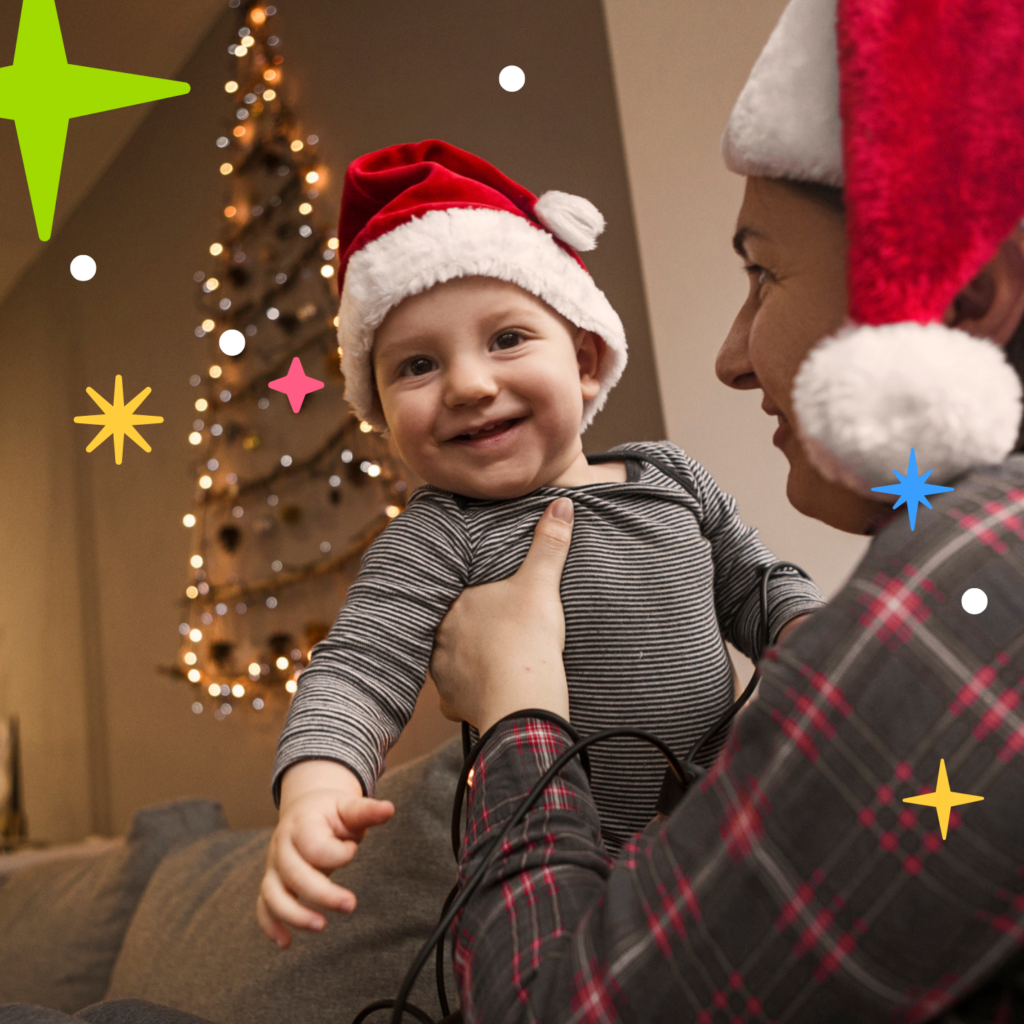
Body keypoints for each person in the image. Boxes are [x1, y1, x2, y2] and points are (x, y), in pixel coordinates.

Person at [428, 0, 1024, 1020]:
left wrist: (513, 711)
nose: (730, 357)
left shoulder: (969, 585)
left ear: (963, 296)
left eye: (763, 272)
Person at [257, 139, 827, 947]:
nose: (470, 384)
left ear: (586, 360)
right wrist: (315, 789)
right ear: (379, 414)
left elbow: (756, 586)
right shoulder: (437, 535)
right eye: (417, 365)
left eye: (506, 339)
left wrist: (812, 631)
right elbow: (358, 668)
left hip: (733, 823)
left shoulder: (670, 476)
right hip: (562, 873)